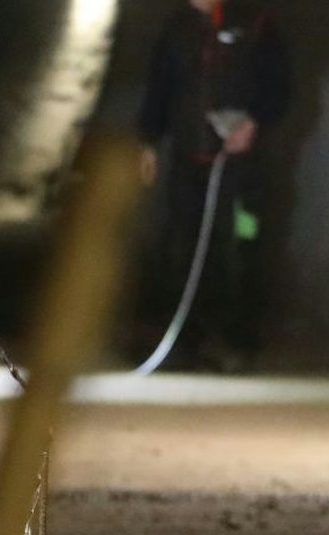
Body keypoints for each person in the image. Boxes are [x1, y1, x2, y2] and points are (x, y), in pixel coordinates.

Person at [137, 0, 292, 370]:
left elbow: (279, 85)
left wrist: (253, 123)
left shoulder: (255, 23)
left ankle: (239, 340)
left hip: (242, 169)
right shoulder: (177, 28)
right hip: (188, 163)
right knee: (184, 247)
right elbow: (160, 87)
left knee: (243, 242)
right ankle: (185, 339)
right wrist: (148, 142)